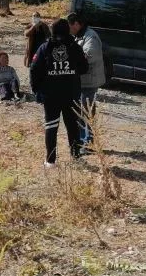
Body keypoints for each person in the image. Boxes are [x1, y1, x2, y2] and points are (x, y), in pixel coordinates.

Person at [30, 19, 88, 167]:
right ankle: (76, 158)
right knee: (72, 127)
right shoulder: (74, 47)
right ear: (67, 30)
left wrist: (37, 90)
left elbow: (34, 69)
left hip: (51, 97)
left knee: (51, 126)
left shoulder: (45, 47)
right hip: (71, 95)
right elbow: (84, 68)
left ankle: (50, 162)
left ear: (53, 30)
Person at [67, 12, 106, 153]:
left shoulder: (91, 37)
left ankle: (89, 143)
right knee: (80, 111)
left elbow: (89, 56)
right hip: (81, 81)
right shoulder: (78, 36)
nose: (69, 30)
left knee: (87, 112)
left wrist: (71, 60)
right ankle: (82, 140)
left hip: (89, 81)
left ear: (77, 24)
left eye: (70, 26)